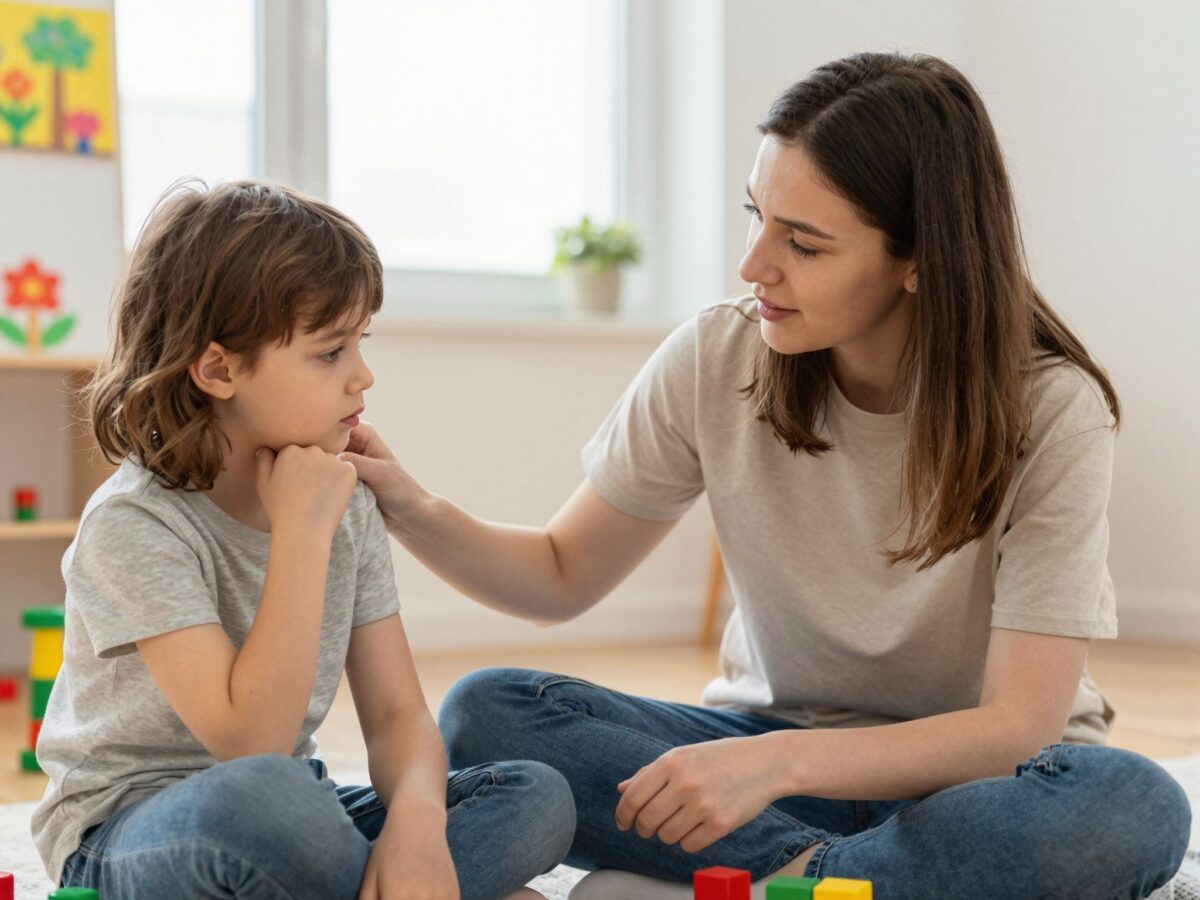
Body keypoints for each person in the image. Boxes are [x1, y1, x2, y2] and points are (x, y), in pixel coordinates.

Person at [340, 53, 1192, 899]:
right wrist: (409, 507)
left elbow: (1016, 727)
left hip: (975, 781)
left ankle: (774, 877)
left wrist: (771, 766)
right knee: (488, 715)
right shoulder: (718, 356)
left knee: (1130, 808)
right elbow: (562, 575)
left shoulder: (1052, 408)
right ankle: (843, 881)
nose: (754, 265)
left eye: (804, 244)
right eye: (757, 215)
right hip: (777, 752)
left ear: (920, 258)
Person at [31, 180, 574, 900]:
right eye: (329, 352)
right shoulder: (136, 524)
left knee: (537, 796)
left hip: (297, 814)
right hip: (130, 833)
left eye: (360, 343)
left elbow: (396, 715)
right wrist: (302, 532)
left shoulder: (341, 497)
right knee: (262, 800)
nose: (363, 375)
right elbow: (248, 741)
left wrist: (416, 828)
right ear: (219, 369)